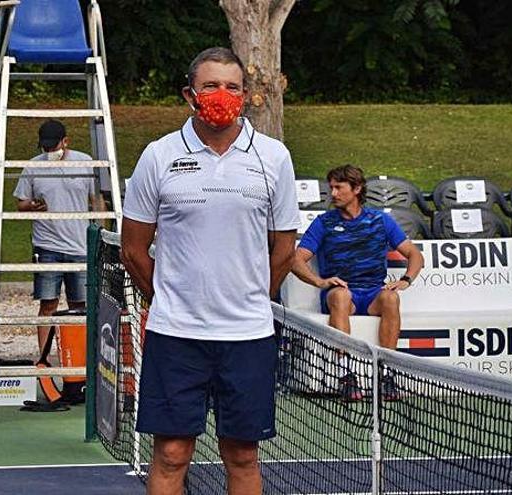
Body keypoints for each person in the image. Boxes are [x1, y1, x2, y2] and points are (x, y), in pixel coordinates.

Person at [121, 47, 300, 495]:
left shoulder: (273, 157)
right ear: (189, 94)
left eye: (233, 87)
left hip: (248, 335)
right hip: (175, 335)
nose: (222, 94)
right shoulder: (158, 155)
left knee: (242, 455)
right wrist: (167, 302)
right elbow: (133, 249)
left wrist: (254, 299)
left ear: (245, 95)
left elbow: (284, 250)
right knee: (171, 453)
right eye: (210, 86)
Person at [291, 164, 424, 401]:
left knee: (391, 299)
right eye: (330, 188)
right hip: (341, 293)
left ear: (357, 188)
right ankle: (347, 375)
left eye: (338, 187)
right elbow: (296, 259)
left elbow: (415, 255)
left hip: (373, 293)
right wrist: (320, 282)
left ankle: (387, 374)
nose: (333, 194)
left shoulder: (381, 220)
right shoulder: (324, 222)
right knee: (340, 295)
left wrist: (405, 280)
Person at [13, 119, 103, 401]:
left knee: (79, 307)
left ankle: (80, 364)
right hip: (47, 244)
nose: (50, 151)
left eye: (54, 146)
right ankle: (43, 361)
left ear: (66, 141)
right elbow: (20, 202)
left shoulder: (85, 162)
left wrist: (100, 228)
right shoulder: (33, 166)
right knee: (48, 304)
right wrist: (33, 206)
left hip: (78, 245)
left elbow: (97, 199)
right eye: (46, 147)